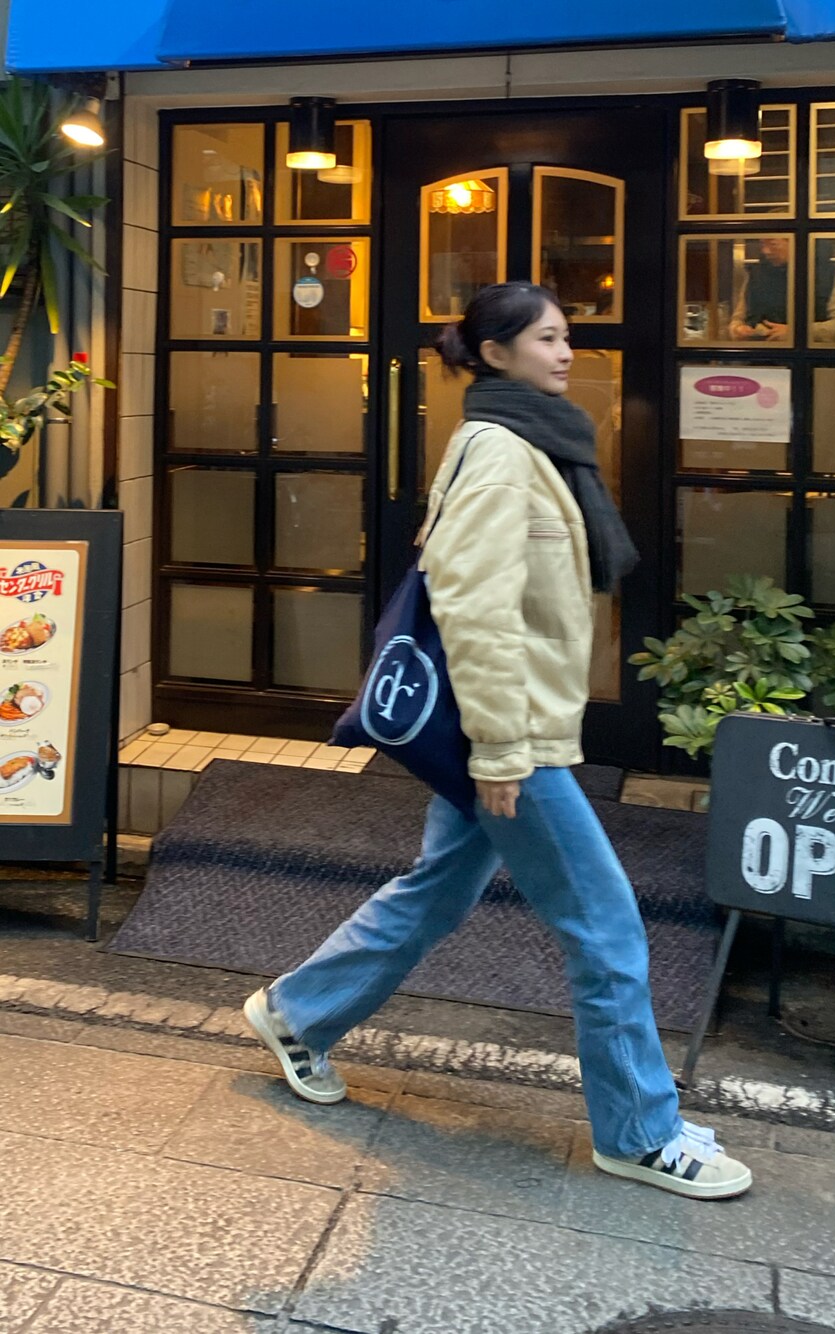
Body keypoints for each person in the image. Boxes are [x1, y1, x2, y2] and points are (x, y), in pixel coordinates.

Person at [243, 282, 753, 1202]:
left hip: (515, 727)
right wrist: (503, 753)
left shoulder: (536, 441)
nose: (566, 352)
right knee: (606, 926)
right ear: (494, 353)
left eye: (566, 336)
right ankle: (640, 1134)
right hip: (513, 739)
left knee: (438, 890)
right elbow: (473, 608)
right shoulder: (501, 451)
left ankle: (297, 1011)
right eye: (547, 338)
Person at [729, 235, 835, 343]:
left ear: (795, 243)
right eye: (762, 244)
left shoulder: (828, 275)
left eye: (773, 244)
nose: (765, 251)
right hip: (760, 356)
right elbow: (738, 318)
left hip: (811, 356)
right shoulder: (755, 275)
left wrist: (796, 332)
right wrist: (738, 330)